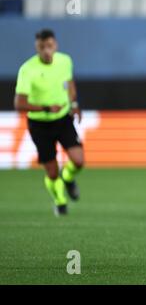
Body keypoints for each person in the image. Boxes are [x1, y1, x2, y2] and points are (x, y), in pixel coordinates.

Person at [14, 29, 84, 216]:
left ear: (56, 45)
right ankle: (60, 201)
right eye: (42, 47)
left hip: (62, 119)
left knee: (78, 161)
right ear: (36, 48)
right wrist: (45, 108)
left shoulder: (64, 61)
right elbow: (19, 103)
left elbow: (69, 83)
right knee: (52, 172)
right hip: (40, 125)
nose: (46, 50)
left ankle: (68, 178)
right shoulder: (28, 69)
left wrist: (74, 104)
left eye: (49, 46)